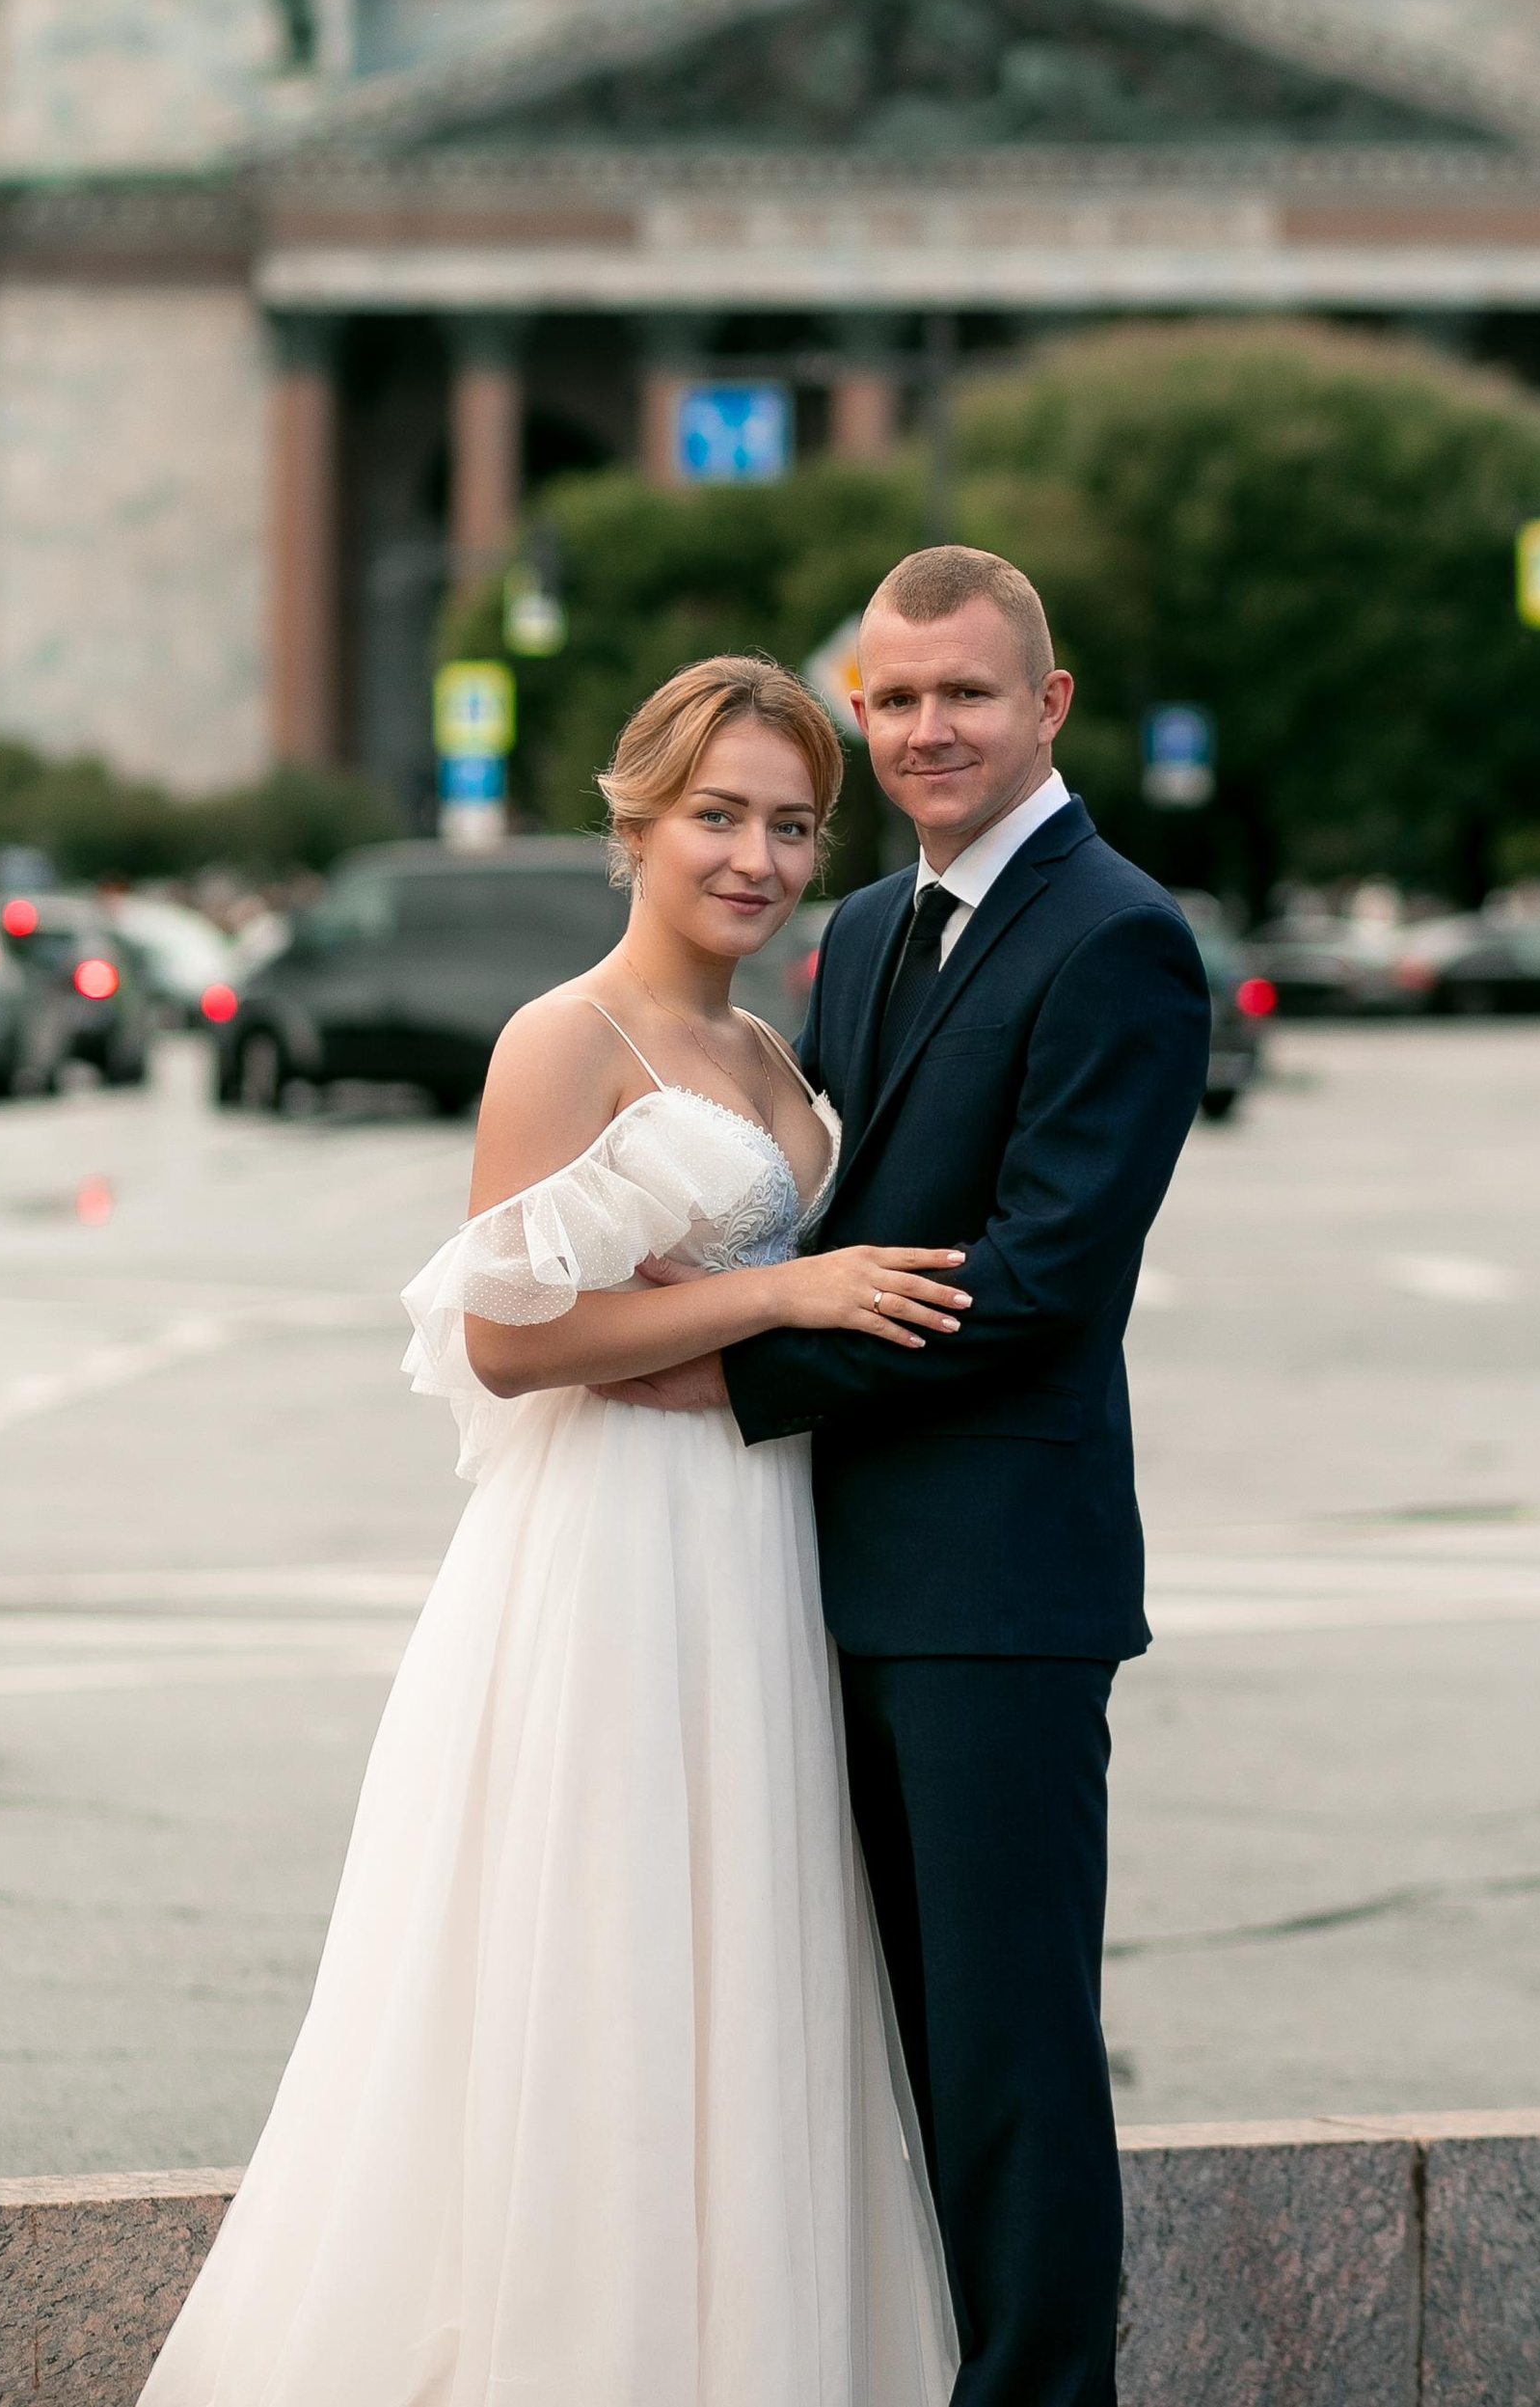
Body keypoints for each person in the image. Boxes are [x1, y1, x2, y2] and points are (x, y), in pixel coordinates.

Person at [141, 653, 967, 2407]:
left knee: (741, 1954)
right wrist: (788, 1289)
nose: (754, 856)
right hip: (610, 1557)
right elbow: (506, 1337)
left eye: (792, 824)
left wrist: (770, 1316)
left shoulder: (768, 1047)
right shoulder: (562, 1037)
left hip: (755, 1546)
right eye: (719, 815)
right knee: (598, 1945)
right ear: (641, 817)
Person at [604, 547, 1213, 2407]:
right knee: (875, 2044)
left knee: (1011, 2054)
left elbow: (1032, 1289)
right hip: (820, 1573)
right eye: (895, 694)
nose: (928, 725)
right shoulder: (862, 929)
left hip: (996, 1594)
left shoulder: (1118, 933)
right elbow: (841, 1212)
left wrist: (727, 1372)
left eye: (966, 690)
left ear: (1051, 707)